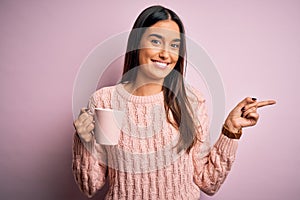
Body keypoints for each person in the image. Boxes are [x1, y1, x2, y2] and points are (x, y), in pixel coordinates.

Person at [72, 5, 276, 199]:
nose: (165, 53)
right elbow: (90, 186)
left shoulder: (191, 101)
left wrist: (230, 131)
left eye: (174, 45)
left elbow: (208, 182)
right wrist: (84, 141)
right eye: (155, 41)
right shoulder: (106, 101)